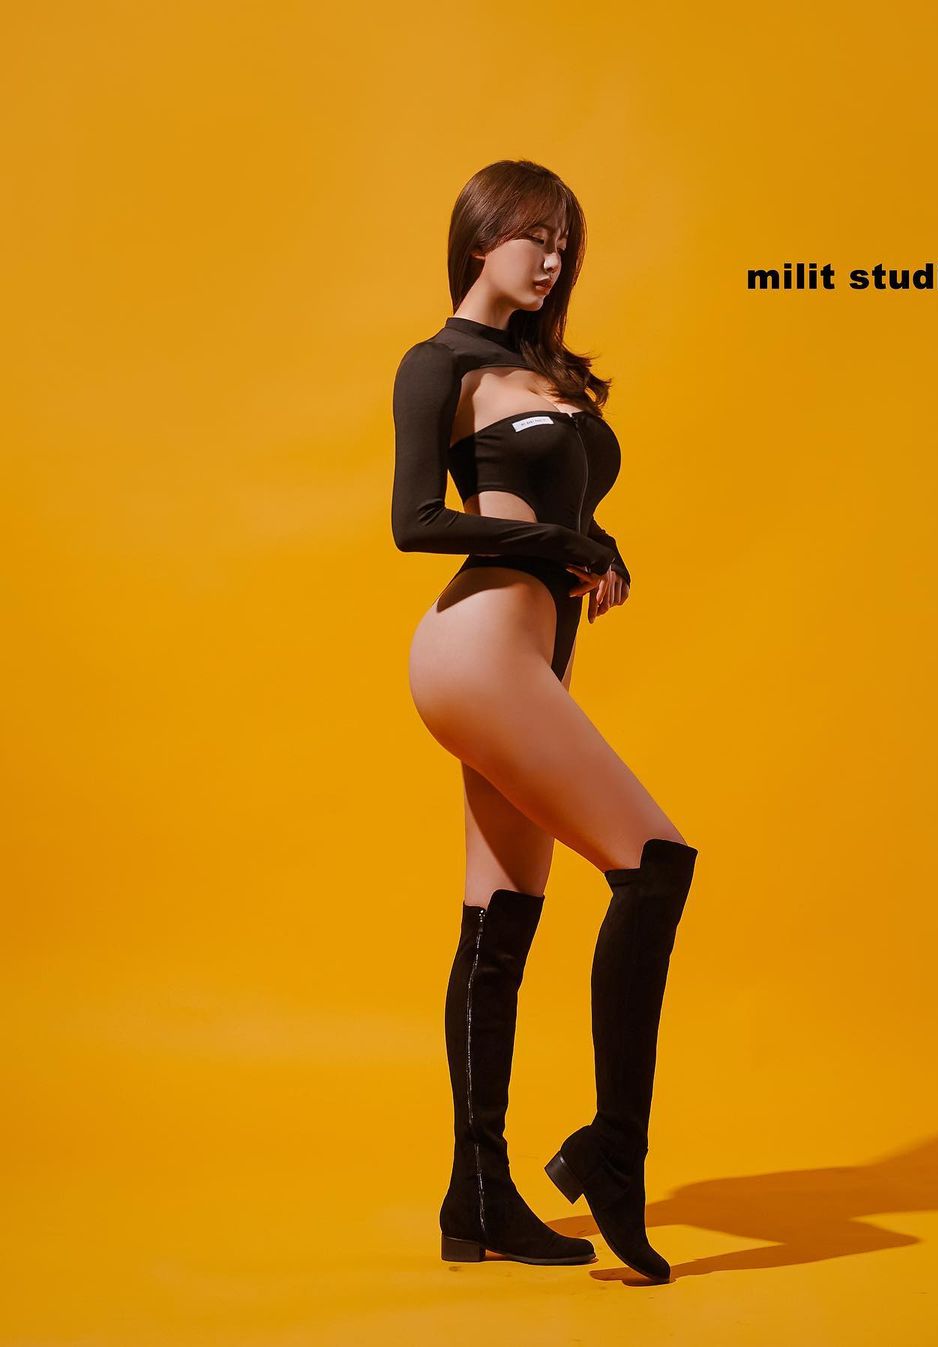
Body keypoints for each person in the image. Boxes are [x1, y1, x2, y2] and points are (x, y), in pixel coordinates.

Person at [390, 159, 700, 1282]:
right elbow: (415, 521)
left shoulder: (540, 372)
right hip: (477, 648)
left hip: (528, 660)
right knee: (655, 864)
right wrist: (559, 542)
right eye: (535, 234)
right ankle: (614, 1154)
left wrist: (594, 541)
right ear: (480, 238)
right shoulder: (440, 363)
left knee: (501, 915)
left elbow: (565, 507)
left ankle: (476, 1194)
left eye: (566, 240)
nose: (554, 257)